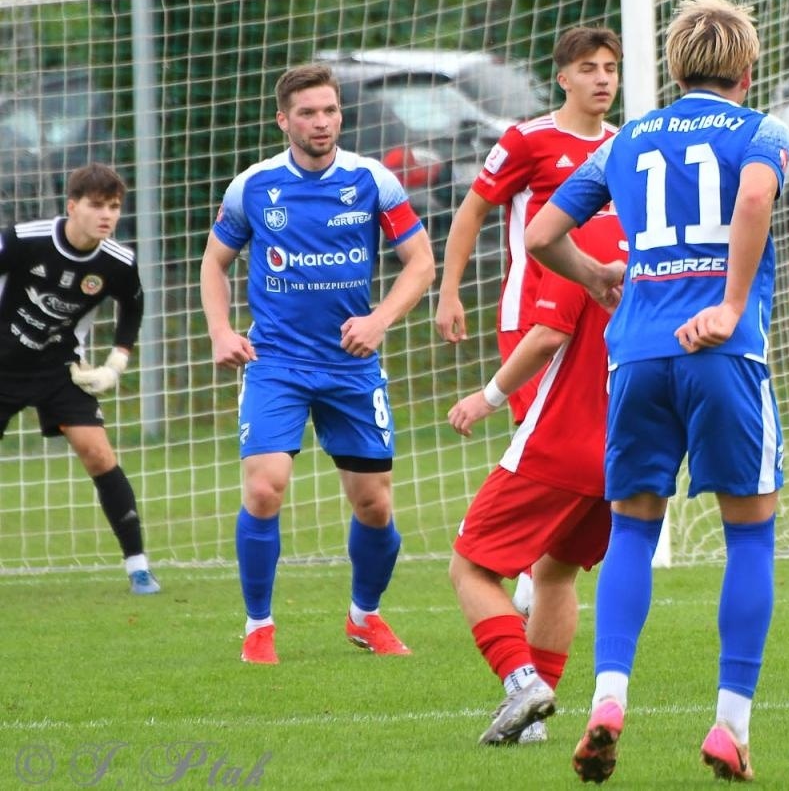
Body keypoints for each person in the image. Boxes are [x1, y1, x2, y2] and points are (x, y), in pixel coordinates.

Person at [525, 0, 789, 784]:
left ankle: (608, 701)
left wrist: (599, 277)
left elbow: (543, 235)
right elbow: (751, 197)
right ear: (747, 67)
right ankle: (730, 727)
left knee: (633, 531)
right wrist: (731, 304)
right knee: (750, 533)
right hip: (722, 351)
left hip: (636, 355)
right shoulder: (761, 130)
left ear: (675, 69)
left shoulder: (630, 138)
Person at [201, 63, 436, 665]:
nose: (322, 122)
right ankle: (259, 627)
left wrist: (379, 320)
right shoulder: (252, 186)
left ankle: (365, 617)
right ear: (284, 120)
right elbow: (214, 264)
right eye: (308, 112)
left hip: (351, 368)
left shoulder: (372, 181)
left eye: (330, 110)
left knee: (375, 505)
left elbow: (420, 262)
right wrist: (222, 330)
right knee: (264, 489)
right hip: (275, 362)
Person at [445, 210, 626, 748]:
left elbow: (548, 334)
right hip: (631, 452)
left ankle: (523, 684)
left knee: (470, 567)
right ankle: (535, 721)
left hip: (562, 444)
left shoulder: (585, 239)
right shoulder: (674, 249)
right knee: (555, 574)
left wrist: (488, 397)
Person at [434, 25, 621, 426]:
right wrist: (449, 291)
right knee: (544, 438)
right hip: (533, 313)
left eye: (610, 68)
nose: (603, 78)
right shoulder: (527, 140)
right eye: (588, 68)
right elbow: (471, 212)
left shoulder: (622, 145)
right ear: (564, 79)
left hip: (600, 316)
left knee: (598, 439)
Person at [0, 163, 159, 595]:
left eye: (114, 207)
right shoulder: (25, 240)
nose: (106, 215)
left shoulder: (118, 262)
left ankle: (139, 567)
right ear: (72, 207)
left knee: (97, 454)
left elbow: (133, 308)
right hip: (3, 365)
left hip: (59, 369)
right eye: (95, 206)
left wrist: (116, 364)